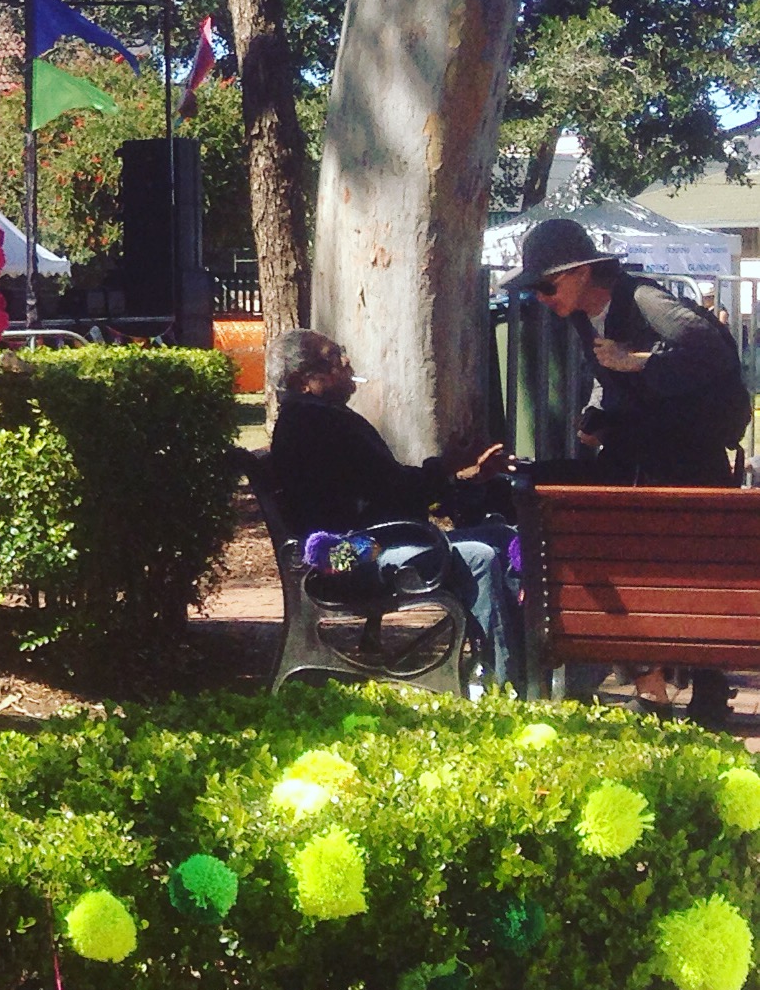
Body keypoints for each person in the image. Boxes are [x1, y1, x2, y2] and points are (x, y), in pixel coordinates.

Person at [264, 328, 520, 684]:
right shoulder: (318, 423)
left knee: (503, 537)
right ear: (302, 381)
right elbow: (394, 495)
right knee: (480, 556)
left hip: (370, 540)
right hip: (347, 556)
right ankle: (505, 683)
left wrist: (457, 476)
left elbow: (387, 488)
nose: (346, 361)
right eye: (333, 357)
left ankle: (526, 665)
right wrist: (448, 469)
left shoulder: (315, 418)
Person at [511, 215, 752, 486]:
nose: (540, 297)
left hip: (689, 459)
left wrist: (637, 362)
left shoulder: (646, 299)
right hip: (640, 453)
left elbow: (716, 356)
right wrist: (596, 413)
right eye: (534, 289)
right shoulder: (580, 316)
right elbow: (607, 377)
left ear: (582, 273)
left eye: (546, 286)